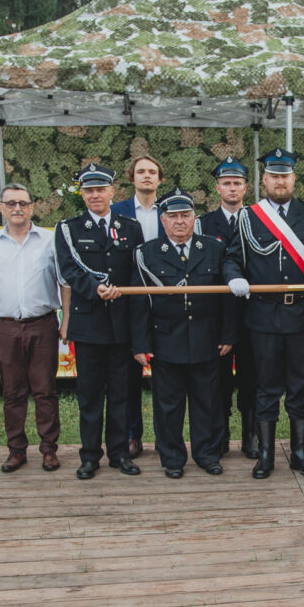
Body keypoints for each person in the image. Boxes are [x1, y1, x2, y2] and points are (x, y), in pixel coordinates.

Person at [224, 147, 304, 479]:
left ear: (293, 178)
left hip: (300, 316)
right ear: (264, 179)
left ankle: (299, 453)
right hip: (263, 317)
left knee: (298, 386)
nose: (280, 181)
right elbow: (231, 258)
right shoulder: (248, 216)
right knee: (265, 387)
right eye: (274, 176)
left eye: (285, 175)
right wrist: (234, 276)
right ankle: (266, 455)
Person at [131, 187, 237, 478]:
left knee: (208, 402)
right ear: (162, 221)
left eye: (186, 215)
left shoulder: (214, 248)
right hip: (166, 341)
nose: (180, 221)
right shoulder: (145, 254)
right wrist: (141, 343)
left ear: (194, 218)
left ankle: (207, 454)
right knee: (168, 406)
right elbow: (140, 302)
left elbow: (226, 297)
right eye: (173, 216)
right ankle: (173, 458)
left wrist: (228, 334)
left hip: (207, 339)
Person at [55, 163, 144, 479]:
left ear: (112, 191)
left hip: (121, 324)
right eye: (88, 190)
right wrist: (96, 289)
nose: (95, 195)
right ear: (82, 193)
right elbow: (69, 270)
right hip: (90, 324)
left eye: (100, 189)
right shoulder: (69, 229)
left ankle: (119, 454)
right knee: (90, 396)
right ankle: (90, 456)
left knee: (121, 394)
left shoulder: (130, 227)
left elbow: (137, 269)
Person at [0, 183, 64, 474]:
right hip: (6, 327)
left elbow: (65, 283)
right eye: (10, 203)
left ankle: (49, 450)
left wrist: (68, 321)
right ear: (0, 207)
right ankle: (16, 450)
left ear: (32, 207)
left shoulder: (49, 240)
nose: (17, 208)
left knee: (45, 390)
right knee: (12, 392)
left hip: (43, 324)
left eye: (23, 203)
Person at [198, 157, 258, 458]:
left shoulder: (258, 219)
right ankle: (219, 438)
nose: (232, 188)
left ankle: (251, 438)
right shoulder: (203, 223)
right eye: (227, 183)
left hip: (250, 315)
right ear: (218, 187)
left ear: (245, 188)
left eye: (237, 183)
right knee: (216, 382)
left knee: (251, 379)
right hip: (216, 316)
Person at [111, 155, 165, 459]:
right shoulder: (117, 211)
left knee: (166, 376)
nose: (147, 176)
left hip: (163, 301)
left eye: (152, 172)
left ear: (159, 179)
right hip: (129, 302)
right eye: (141, 171)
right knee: (129, 375)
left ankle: (164, 435)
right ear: (132, 177)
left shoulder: (170, 209)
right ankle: (132, 435)